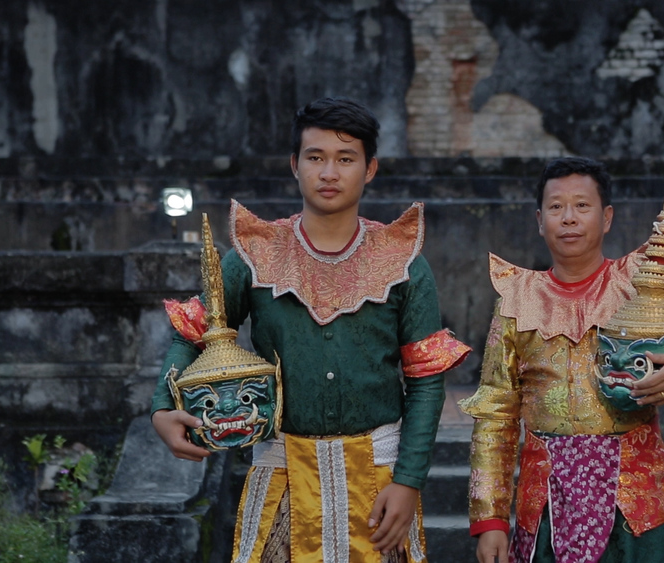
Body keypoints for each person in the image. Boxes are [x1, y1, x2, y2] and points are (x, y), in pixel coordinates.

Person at [150, 97, 470, 563]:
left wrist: (408, 481)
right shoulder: (253, 256)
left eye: (345, 159)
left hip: (379, 478)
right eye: (315, 157)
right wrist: (164, 407)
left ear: (370, 168)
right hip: (281, 472)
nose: (329, 172)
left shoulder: (403, 264)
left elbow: (426, 383)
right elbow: (191, 333)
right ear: (294, 165)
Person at [459, 157, 664, 563]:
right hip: (546, 507)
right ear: (540, 220)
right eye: (556, 208)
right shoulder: (516, 304)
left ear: (606, 217)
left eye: (582, 206)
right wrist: (490, 521)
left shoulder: (642, 289)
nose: (568, 218)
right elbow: (495, 414)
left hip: (638, 504)